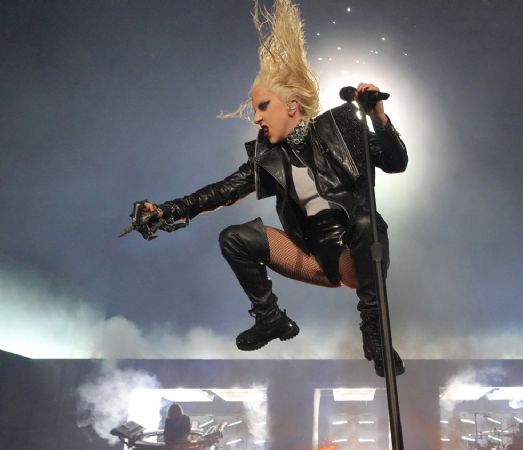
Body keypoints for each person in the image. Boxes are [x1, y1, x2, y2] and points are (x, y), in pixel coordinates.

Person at [133, 0, 407, 377]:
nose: (257, 117)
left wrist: (378, 119)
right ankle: (270, 318)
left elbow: (395, 162)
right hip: (309, 256)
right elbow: (224, 190)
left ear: (291, 106)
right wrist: (167, 210)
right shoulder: (269, 156)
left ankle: (374, 332)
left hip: (353, 252)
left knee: (367, 221)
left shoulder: (341, 128)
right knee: (234, 238)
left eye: (263, 107)